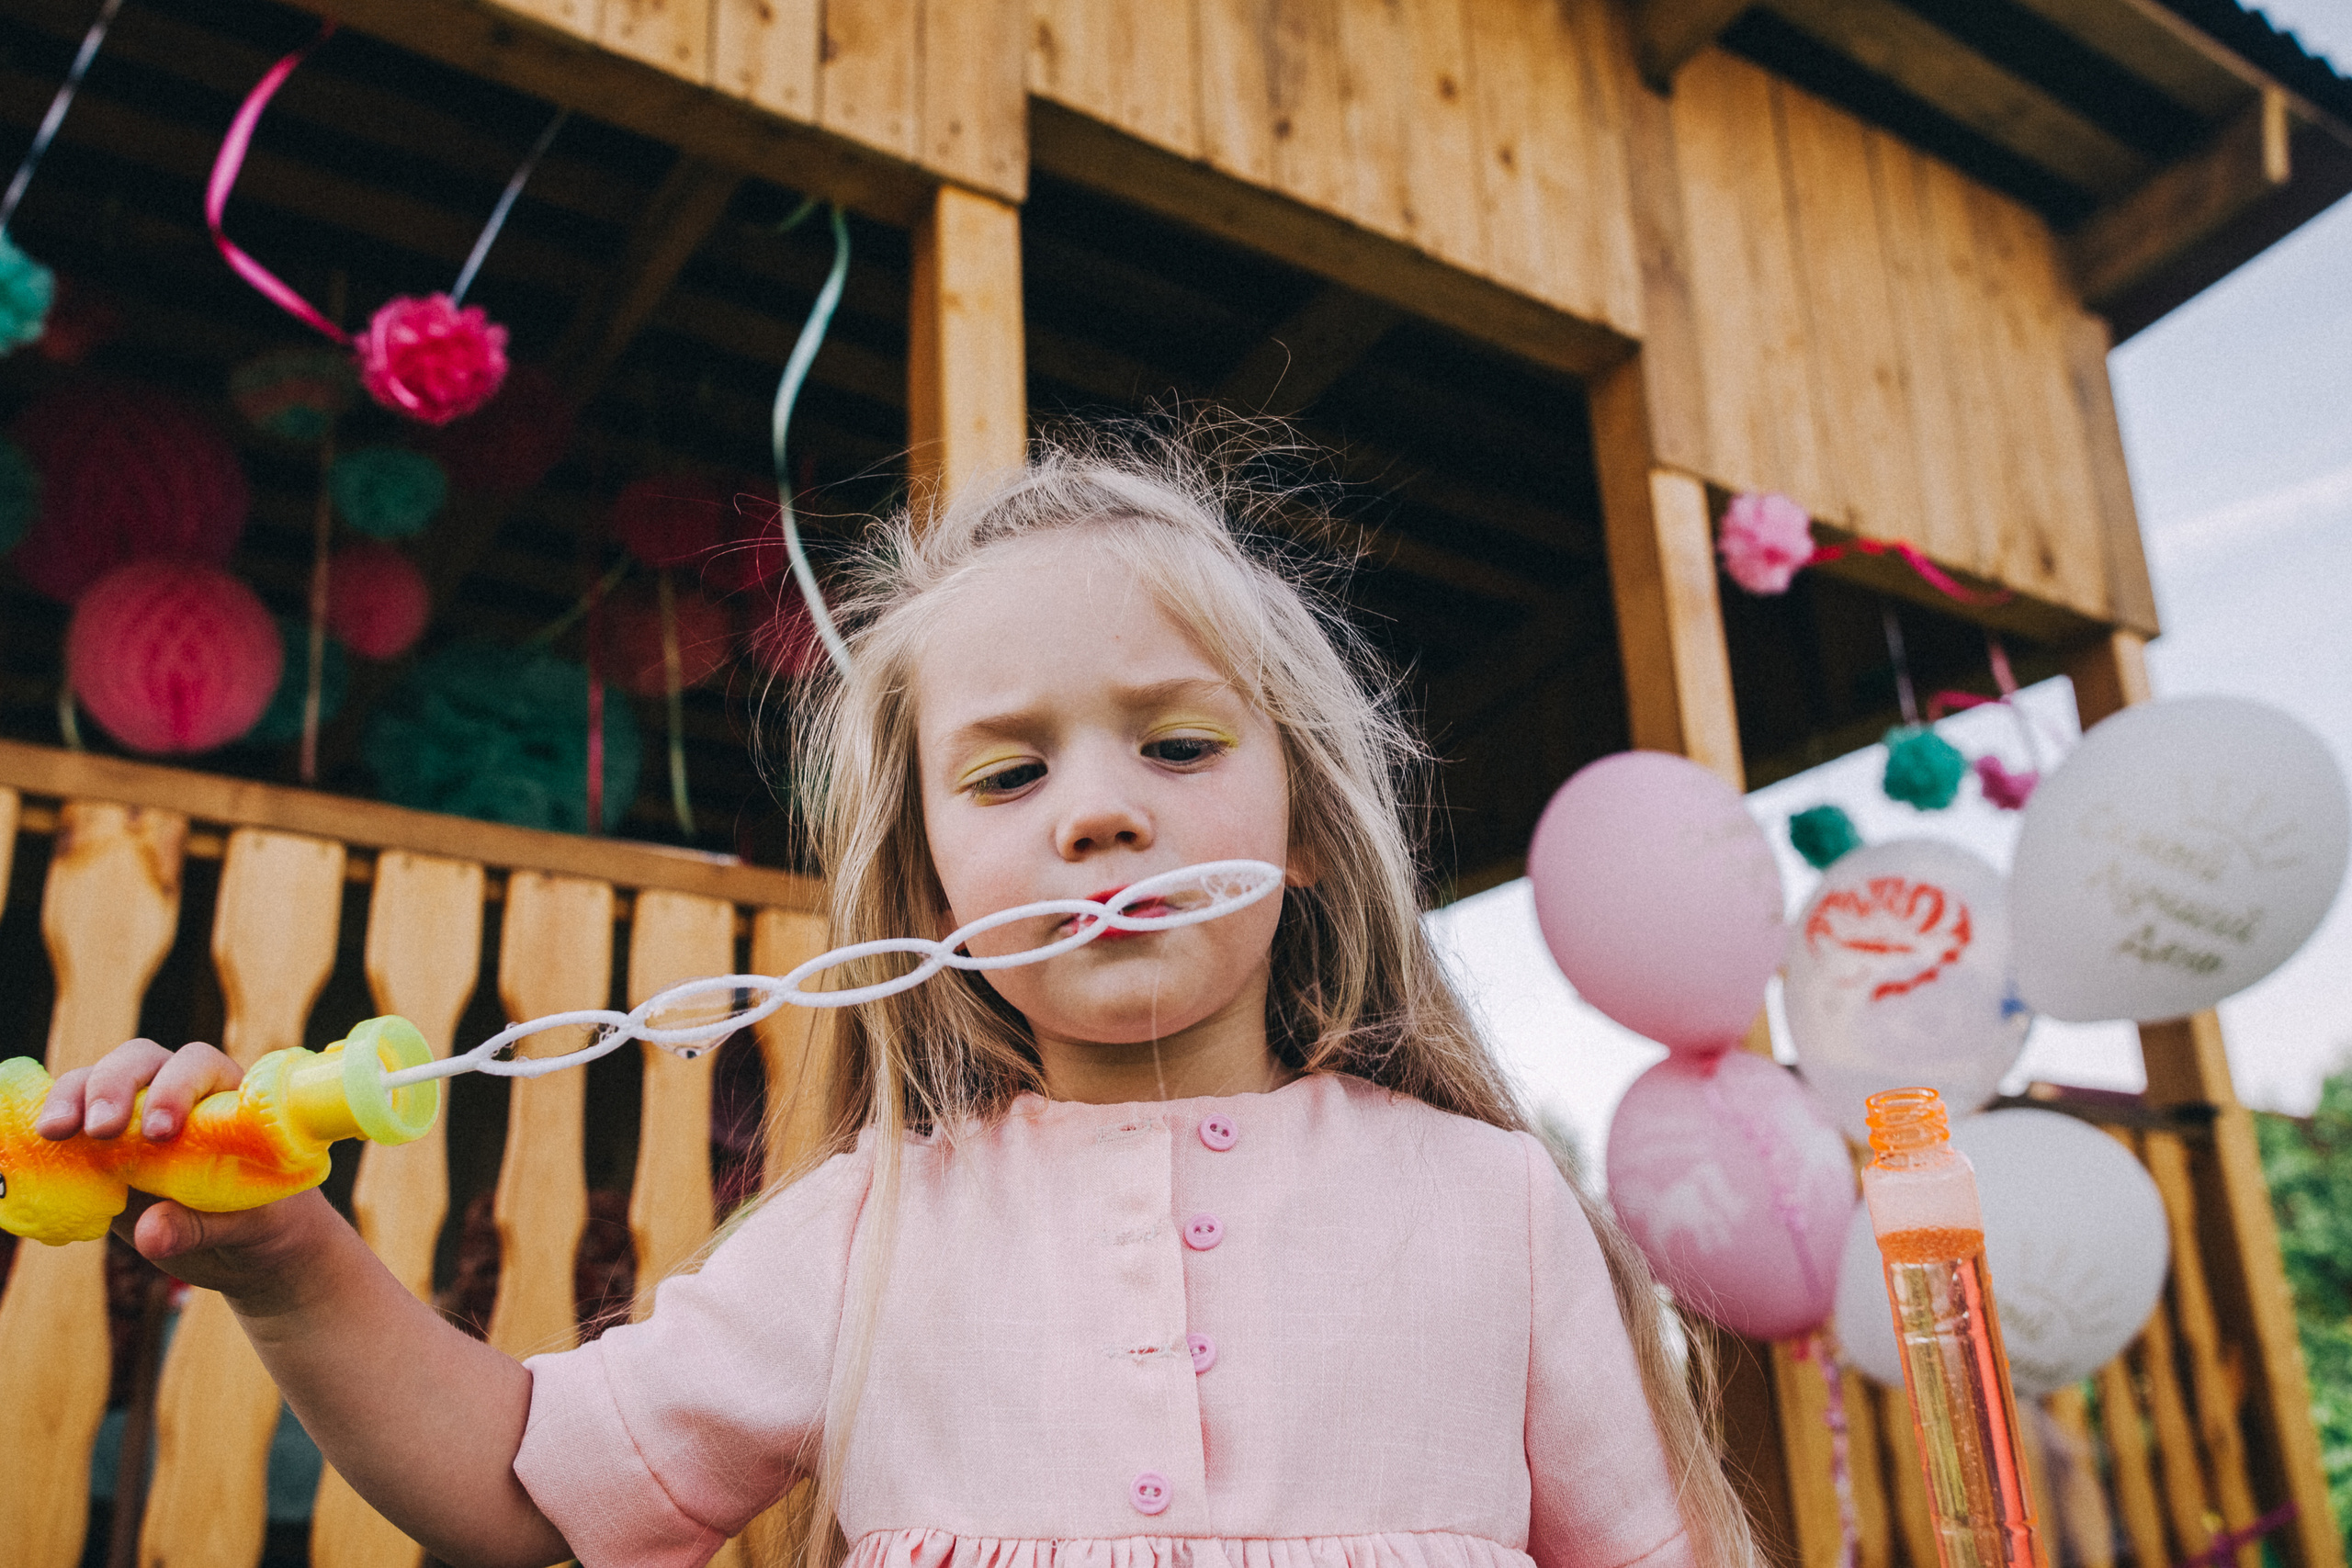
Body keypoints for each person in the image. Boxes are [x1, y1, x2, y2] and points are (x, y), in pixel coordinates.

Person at [38, 430, 1759, 1568]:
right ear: (933, 893)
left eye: (1177, 747)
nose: (1099, 813)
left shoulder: (1490, 1203)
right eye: (1008, 776)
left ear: (1303, 829)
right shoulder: (869, 1232)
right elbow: (520, 1488)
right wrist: (289, 1258)